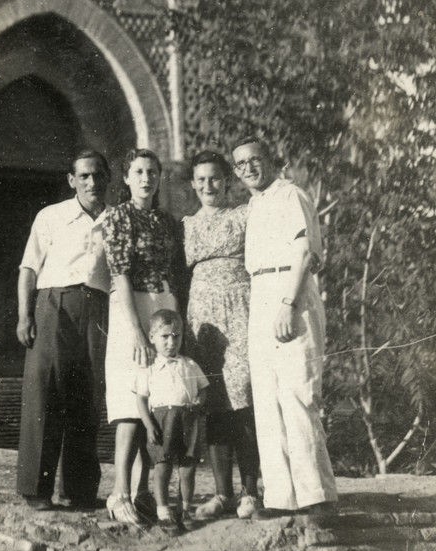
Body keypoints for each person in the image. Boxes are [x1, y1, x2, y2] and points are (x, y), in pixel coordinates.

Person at [232, 136, 338, 516]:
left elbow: (305, 252)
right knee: (267, 398)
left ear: (271, 160)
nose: (248, 169)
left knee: (297, 394)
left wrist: (288, 304)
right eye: (240, 165)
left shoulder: (290, 194)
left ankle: (316, 496)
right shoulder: (255, 204)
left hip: (289, 291)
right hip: (260, 292)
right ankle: (281, 497)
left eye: (254, 160)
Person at [16, 150, 111, 511]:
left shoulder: (117, 220)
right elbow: (28, 269)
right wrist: (25, 316)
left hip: (99, 309)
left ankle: (79, 490)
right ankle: (36, 491)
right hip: (54, 305)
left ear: (107, 179)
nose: (92, 182)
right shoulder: (51, 216)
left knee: (88, 396)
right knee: (45, 392)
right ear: (72, 180)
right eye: (84, 176)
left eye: (98, 175)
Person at [101, 148, 184, 527]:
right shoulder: (119, 216)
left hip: (162, 303)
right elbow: (119, 273)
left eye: (152, 172)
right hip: (130, 307)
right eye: (138, 172)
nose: (146, 178)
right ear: (127, 178)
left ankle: (142, 491)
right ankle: (118, 493)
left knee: (159, 397)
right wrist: (136, 330)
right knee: (129, 399)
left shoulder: (166, 221)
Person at [182, 150, 260, 521]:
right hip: (203, 319)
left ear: (227, 180)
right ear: (193, 184)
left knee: (243, 400)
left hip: (241, 310)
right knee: (213, 403)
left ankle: (250, 491)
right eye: (201, 180)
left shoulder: (245, 214)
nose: (208, 186)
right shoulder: (187, 224)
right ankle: (222, 494)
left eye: (214, 178)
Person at [135, 308, 208, 535]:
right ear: (152, 337)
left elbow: (204, 389)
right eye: (165, 336)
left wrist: (198, 402)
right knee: (163, 466)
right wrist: (148, 426)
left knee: (187, 467)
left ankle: (184, 509)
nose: (171, 342)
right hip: (161, 421)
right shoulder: (149, 367)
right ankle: (163, 511)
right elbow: (141, 399)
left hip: (188, 419)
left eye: (176, 336)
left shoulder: (190, 365)